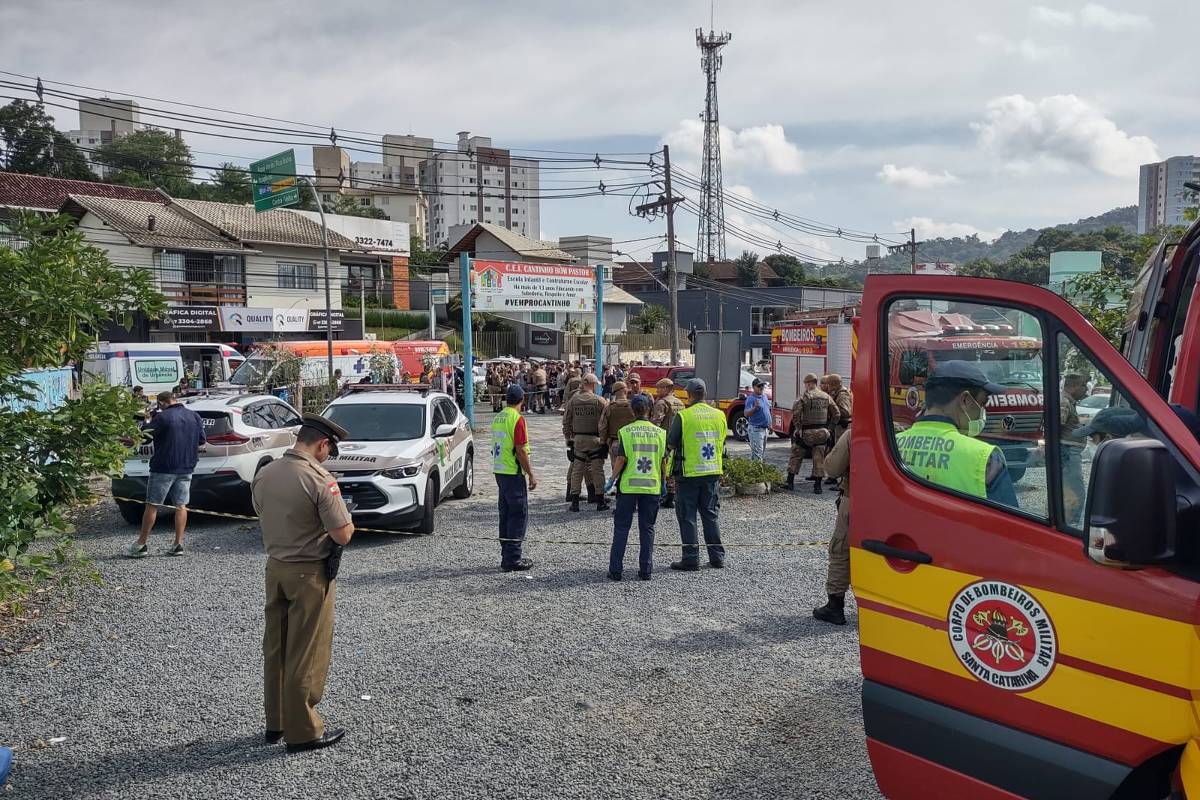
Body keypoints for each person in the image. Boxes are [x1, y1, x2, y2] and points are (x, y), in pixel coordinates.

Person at [251, 413, 355, 753]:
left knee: (276, 647)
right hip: (309, 572)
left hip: (275, 567)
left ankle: (276, 722)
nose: (328, 456)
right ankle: (304, 730)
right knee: (307, 651)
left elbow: (260, 511)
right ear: (322, 444)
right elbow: (342, 533)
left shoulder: (266, 472)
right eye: (329, 449)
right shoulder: (318, 478)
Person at [894, 361, 1019, 508]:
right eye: (982, 403)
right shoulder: (985, 458)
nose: (983, 412)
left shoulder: (891, 445)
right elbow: (1008, 526)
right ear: (965, 400)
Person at [127, 392, 206, 558]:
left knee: (152, 504)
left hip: (163, 467)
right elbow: (201, 440)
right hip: (187, 466)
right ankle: (178, 544)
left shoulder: (162, 417)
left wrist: (148, 420)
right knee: (181, 505)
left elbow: (145, 437)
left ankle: (141, 544)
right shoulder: (194, 416)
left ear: (162, 403)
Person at [607, 394, 668, 581]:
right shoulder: (660, 433)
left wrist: (612, 479)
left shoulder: (625, 432)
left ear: (633, 410)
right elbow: (663, 461)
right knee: (647, 528)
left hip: (628, 487)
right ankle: (646, 570)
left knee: (622, 528)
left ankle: (616, 570)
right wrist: (664, 481)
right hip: (651, 487)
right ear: (649, 409)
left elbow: (621, 459)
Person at [668, 379, 727, 571]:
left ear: (690, 395)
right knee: (710, 515)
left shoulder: (684, 416)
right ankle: (717, 557)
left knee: (687, 517)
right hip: (712, 472)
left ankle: (691, 558)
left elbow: (671, 444)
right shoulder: (719, 415)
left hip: (689, 474)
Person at [492, 385, 539, 571]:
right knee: (518, 515)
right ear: (522, 400)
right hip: (513, 472)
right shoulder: (517, 419)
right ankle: (513, 558)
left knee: (505, 514)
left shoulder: (498, 417)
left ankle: (506, 553)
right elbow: (520, 450)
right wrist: (531, 474)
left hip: (499, 471)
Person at [814, 423, 852, 625]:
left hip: (856, 501)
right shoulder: (902, 431)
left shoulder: (854, 435)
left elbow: (832, 468)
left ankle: (834, 606)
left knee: (840, 550)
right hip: (892, 503)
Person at [564, 373, 609, 511]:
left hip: (578, 440)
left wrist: (569, 439)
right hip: (595, 440)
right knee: (597, 470)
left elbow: (566, 421)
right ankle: (600, 501)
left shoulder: (573, 400)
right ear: (593, 384)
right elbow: (605, 423)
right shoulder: (599, 401)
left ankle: (575, 502)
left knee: (577, 470)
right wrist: (604, 441)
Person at [785, 374, 837, 494]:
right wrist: (830, 428)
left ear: (809, 383)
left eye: (806, 384)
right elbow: (837, 413)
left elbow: (796, 414)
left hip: (807, 432)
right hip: (822, 433)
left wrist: (798, 428)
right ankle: (817, 487)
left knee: (796, 455)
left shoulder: (805, 397)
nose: (806, 386)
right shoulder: (826, 396)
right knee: (819, 459)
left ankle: (790, 483)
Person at [1060, 372, 1090, 522]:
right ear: (1072, 387)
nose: (1086, 389)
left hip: (1069, 453)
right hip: (1068, 453)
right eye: (1083, 385)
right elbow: (1056, 427)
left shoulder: (1068, 402)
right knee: (1074, 490)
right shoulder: (1064, 402)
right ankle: (1069, 522)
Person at [651, 378, 684, 509]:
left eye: (659, 388)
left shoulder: (661, 403)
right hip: (678, 440)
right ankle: (671, 496)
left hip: (664, 440)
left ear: (665, 389)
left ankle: (660, 494)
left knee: (661, 468)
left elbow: (656, 423)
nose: (657, 390)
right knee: (673, 467)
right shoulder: (680, 403)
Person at [825, 374, 853, 484]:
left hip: (843, 427)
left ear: (834, 385)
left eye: (829, 385)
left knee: (842, 455)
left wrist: (832, 411)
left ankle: (841, 481)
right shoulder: (837, 394)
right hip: (840, 427)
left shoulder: (842, 395)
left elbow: (846, 411)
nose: (827, 387)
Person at [598, 380, 636, 460]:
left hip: (615, 442)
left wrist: (603, 442)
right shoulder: (633, 406)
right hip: (632, 441)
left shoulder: (609, 407)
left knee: (616, 469)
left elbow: (602, 427)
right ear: (625, 391)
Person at [744, 378, 772, 463]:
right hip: (756, 429)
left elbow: (767, 410)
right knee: (758, 454)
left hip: (765, 429)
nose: (761, 387)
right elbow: (746, 414)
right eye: (759, 386)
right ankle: (758, 473)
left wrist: (770, 424)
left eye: (762, 385)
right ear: (753, 387)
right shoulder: (751, 399)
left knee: (759, 454)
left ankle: (754, 472)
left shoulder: (764, 396)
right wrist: (755, 408)